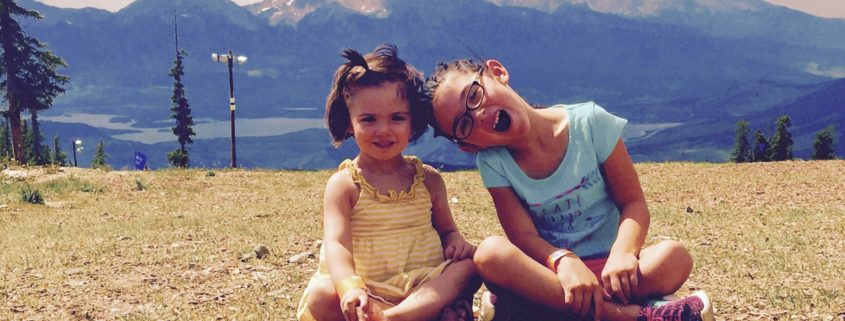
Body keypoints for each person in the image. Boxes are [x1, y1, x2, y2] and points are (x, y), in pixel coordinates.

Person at [424, 58, 715, 321]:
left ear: (497, 73)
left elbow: (633, 203)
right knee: (489, 254)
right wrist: (563, 261)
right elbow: (522, 236)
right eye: (464, 125)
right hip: (552, 273)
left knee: (674, 257)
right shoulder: (494, 162)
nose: (479, 114)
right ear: (468, 145)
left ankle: (531, 310)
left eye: (474, 95)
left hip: (613, 270)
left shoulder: (590, 123)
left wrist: (624, 253)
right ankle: (631, 316)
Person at [296, 44, 479, 321]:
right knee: (321, 294)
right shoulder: (345, 185)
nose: (384, 130)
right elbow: (337, 244)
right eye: (369, 119)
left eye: (397, 118)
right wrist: (349, 288)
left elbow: (447, 231)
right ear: (349, 123)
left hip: (422, 288)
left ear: (412, 121)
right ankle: (405, 315)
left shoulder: (428, 179)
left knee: (469, 266)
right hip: (366, 291)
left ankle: (395, 317)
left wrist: (457, 244)